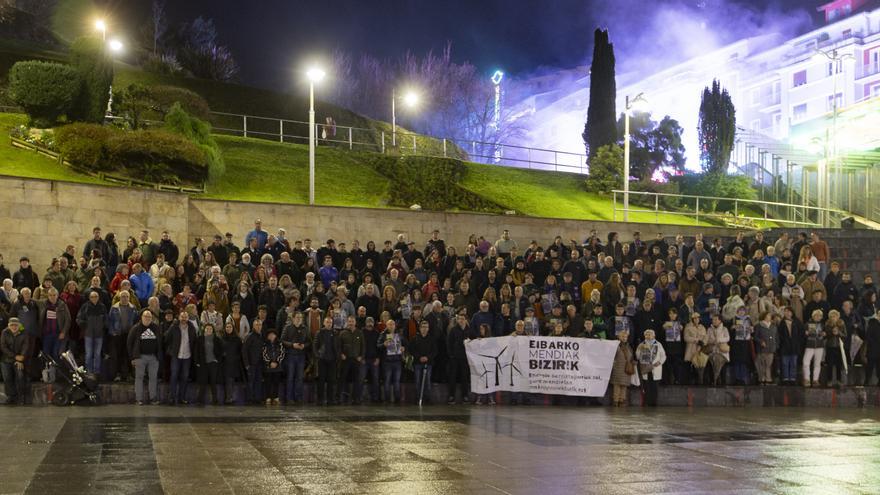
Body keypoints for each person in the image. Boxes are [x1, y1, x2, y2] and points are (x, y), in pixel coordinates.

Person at [127, 310, 162, 405]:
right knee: (139, 378)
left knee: (153, 378)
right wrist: (132, 358)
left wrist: (158, 356)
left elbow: (160, 342)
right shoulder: (135, 328)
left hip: (153, 357)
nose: (147, 318)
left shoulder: (156, 328)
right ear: (141, 317)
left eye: (149, 317)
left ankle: (153, 398)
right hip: (140, 357)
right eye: (145, 316)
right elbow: (129, 344)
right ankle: (139, 399)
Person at [166, 311, 197, 405]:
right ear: (179, 317)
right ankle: (171, 397)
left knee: (185, 377)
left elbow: (194, 341)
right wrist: (171, 349)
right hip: (176, 355)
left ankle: (182, 397)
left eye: (185, 317)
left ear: (188, 318)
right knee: (174, 376)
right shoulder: (174, 327)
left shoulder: (191, 328)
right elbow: (167, 338)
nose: (184, 319)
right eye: (182, 317)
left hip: (187, 356)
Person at [108, 290, 138, 382]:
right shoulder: (114, 308)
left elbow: (136, 321)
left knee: (129, 356)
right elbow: (110, 321)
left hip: (129, 335)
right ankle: (118, 374)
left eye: (127, 297)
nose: (125, 298)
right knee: (118, 356)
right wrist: (113, 332)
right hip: (118, 335)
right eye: (123, 296)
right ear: (120, 298)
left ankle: (129, 375)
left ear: (129, 298)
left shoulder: (133, 308)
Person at [280, 311, 309, 405]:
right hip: (290, 355)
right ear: (293, 318)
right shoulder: (287, 328)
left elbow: (309, 342)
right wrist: (292, 345)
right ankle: (289, 398)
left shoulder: (305, 328)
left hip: (301, 355)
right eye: (297, 317)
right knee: (290, 377)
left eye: (300, 317)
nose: (299, 319)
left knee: (299, 378)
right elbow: (282, 341)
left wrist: (304, 345)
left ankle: (298, 397)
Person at [76, 290, 107, 375]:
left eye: (96, 296)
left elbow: (106, 319)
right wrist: (86, 326)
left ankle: (96, 372)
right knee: (88, 354)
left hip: (99, 334)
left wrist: (102, 326)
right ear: (89, 298)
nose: (94, 298)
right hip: (88, 335)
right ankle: (88, 372)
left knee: (97, 354)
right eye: (92, 297)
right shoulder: (85, 307)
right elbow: (78, 319)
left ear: (98, 297)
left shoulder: (102, 307)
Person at [1, 318, 30, 405]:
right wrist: (15, 357)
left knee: (20, 376)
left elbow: (25, 347)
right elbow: (3, 347)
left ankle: (21, 397)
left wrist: (21, 359)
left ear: (19, 325)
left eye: (15, 325)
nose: (14, 327)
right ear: (9, 326)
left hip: (20, 359)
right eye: (12, 325)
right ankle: (11, 397)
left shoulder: (24, 333)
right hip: (6, 359)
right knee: (7, 378)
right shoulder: (5, 332)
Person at [338, 316, 365, 404]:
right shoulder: (343, 333)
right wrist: (341, 354)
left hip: (356, 360)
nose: (351, 323)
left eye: (352, 321)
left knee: (357, 380)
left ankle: (356, 398)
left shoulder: (359, 333)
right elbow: (338, 346)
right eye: (349, 321)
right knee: (342, 378)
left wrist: (361, 356)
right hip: (345, 359)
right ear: (347, 322)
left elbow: (363, 346)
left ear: (355, 322)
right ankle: (338, 398)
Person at [194, 323, 223, 406]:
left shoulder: (216, 339)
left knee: (213, 382)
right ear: (204, 329)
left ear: (213, 330)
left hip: (213, 363)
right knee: (203, 382)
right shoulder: (200, 339)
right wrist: (197, 362)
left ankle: (215, 400)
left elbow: (220, 351)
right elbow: (196, 351)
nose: (209, 330)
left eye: (210, 329)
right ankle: (200, 400)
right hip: (203, 363)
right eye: (207, 328)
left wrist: (217, 360)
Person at [410, 320, 438, 404]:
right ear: (420, 328)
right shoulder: (415, 338)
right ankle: (418, 398)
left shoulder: (432, 339)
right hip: (417, 363)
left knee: (427, 381)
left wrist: (427, 357)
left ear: (428, 328)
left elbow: (435, 351)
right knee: (417, 381)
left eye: (426, 327)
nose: (424, 329)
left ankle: (427, 398)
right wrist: (419, 357)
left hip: (428, 363)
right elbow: (412, 350)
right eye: (423, 327)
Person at [636, 329, 666, 406]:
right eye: (646, 334)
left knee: (655, 387)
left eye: (650, 334)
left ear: (654, 335)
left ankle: (654, 403)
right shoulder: (641, 344)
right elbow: (637, 356)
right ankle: (647, 402)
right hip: (646, 368)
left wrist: (659, 362)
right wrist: (640, 349)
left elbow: (663, 356)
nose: (648, 336)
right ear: (644, 336)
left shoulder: (658, 344)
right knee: (647, 386)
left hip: (655, 368)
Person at [380, 318, 406, 404]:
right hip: (387, 361)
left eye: (393, 324)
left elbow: (406, 344)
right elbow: (378, 345)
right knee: (387, 380)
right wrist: (383, 344)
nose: (391, 326)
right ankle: (387, 399)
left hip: (397, 360)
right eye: (389, 324)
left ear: (395, 326)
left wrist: (403, 348)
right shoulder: (383, 335)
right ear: (386, 326)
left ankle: (397, 399)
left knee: (397, 381)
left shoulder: (399, 335)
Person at [313, 316, 338, 406]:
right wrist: (318, 356)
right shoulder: (319, 332)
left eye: (330, 322)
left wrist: (337, 357)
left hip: (332, 360)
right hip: (322, 360)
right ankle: (320, 400)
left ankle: (330, 399)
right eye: (327, 322)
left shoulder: (335, 333)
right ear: (324, 323)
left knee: (331, 381)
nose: (329, 324)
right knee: (321, 380)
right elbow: (315, 345)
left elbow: (337, 346)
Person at [778, 307, 804, 385]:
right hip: (785, 346)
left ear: (792, 312)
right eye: (785, 311)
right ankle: (786, 378)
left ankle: (792, 378)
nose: (787, 313)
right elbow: (779, 335)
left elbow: (801, 333)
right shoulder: (782, 322)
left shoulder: (797, 322)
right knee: (785, 363)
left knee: (793, 363)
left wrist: (798, 342)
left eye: (788, 311)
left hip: (794, 346)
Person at [242, 319, 265, 404]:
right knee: (250, 382)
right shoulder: (250, 336)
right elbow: (244, 351)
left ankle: (257, 398)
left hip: (260, 363)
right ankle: (250, 399)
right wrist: (247, 364)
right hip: (251, 364)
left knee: (258, 381)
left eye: (260, 325)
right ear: (253, 326)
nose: (258, 327)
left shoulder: (262, 336)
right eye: (257, 325)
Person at [610, 328, 634, 406]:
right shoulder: (616, 345)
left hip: (626, 368)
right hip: (617, 368)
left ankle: (622, 400)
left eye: (625, 337)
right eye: (622, 336)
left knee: (624, 386)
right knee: (617, 386)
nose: (624, 338)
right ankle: (616, 400)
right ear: (619, 337)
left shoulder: (629, 346)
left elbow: (631, 357)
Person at [754, 311, 778, 385]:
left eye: (770, 316)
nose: (769, 317)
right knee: (761, 364)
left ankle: (768, 378)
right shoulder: (759, 325)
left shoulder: (773, 326)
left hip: (771, 348)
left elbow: (777, 337)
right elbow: (755, 337)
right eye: (768, 315)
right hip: (762, 348)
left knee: (769, 364)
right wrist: (761, 341)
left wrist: (776, 345)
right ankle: (762, 378)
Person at [261, 328, 285, 405]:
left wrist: (277, 362)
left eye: (273, 334)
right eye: (270, 335)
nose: (271, 336)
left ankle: (275, 397)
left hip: (278, 367)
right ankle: (268, 397)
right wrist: (270, 362)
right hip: (268, 367)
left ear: (275, 336)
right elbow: (264, 355)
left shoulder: (280, 344)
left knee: (276, 383)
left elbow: (282, 353)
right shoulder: (265, 344)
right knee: (268, 383)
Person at [803, 309, 825, 387]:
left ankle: (815, 380)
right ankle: (807, 379)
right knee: (806, 362)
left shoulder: (822, 325)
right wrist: (806, 333)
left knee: (817, 363)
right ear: (813, 316)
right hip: (810, 345)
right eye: (816, 315)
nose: (818, 317)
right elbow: (803, 334)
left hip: (819, 345)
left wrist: (824, 334)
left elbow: (826, 333)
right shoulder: (807, 324)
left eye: (819, 316)